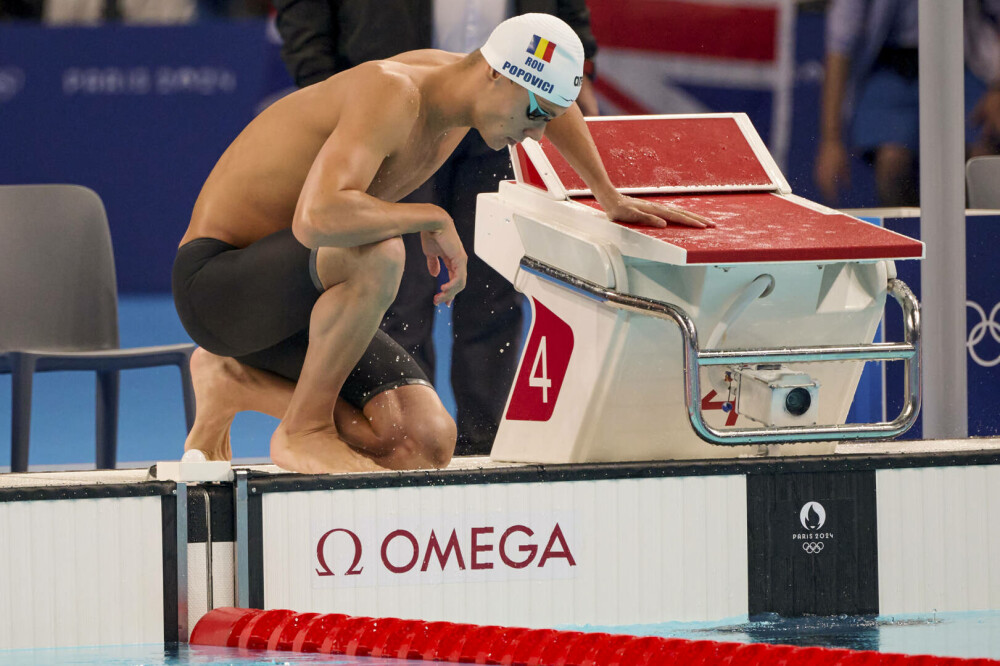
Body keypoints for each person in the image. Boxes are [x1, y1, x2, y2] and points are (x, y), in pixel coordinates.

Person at [173, 13, 713, 474]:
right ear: (495, 76)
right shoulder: (394, 92)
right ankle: (303, 429)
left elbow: (557, 103)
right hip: (221, 288)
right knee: (379, 247)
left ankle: (231, 383)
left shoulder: (474, 90)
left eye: (545, 119)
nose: (537, 135)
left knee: (421, 444)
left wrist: (607, 194)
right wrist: (426, 216)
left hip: (301, 303)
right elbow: (316, 218)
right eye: (533, 116)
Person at [273, 0, 599, 456]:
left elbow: (551, 52)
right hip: (399, 114)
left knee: (496, 294)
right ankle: (403, 441)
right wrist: (329, 87)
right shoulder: (390, 92)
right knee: (396, 294)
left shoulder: (522, 94)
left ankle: (487, 448)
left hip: (497, 120)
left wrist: (607, 189)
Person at [815, 0, 1000, 207]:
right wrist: (831, 140)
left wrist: (997, 88)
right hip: (892, 69)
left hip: (962, 65)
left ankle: (979, 236)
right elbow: (840, 43)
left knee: (979, 160)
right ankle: (912, 237)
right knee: (892, 164)